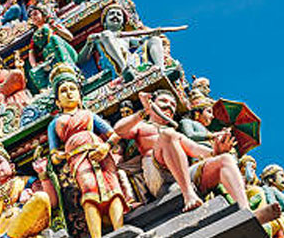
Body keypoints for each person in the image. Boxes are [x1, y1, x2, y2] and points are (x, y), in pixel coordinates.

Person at [114, 89, 268, 219]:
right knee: (167, 135)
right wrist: (143, 112)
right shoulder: (143, 126)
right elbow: (119, 130)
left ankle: (246, 212)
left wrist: (217, 151)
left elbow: (195, 150)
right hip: (158, 177)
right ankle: (188, 195)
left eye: (173, 105)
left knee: (225, 160)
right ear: (152, 102)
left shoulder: (176, 134)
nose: (170, 106)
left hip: (181, 175)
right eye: (164, 101)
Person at [47, 64, 126, 238]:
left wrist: (106, 146)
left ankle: (119, 228)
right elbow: (53, 154)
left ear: (79, 95)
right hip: (76, 158)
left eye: (72, 89)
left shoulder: (89, 115)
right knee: (89, 189)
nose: (69, 93)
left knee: (112, 187)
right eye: (63, 91)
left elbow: (113, 134)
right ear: (58, 102)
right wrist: (59, 156)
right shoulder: (56, 123)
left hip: (99, 151)